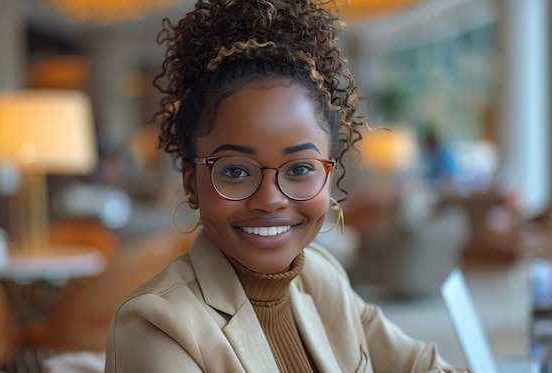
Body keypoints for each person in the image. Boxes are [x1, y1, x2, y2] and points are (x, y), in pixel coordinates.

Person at [105, 0, 470, 372]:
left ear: (329, 175)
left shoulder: (321, 276)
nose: (270, 199)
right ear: (191, 183)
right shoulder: (156, 325)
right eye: (235, 172)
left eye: (298, 168)